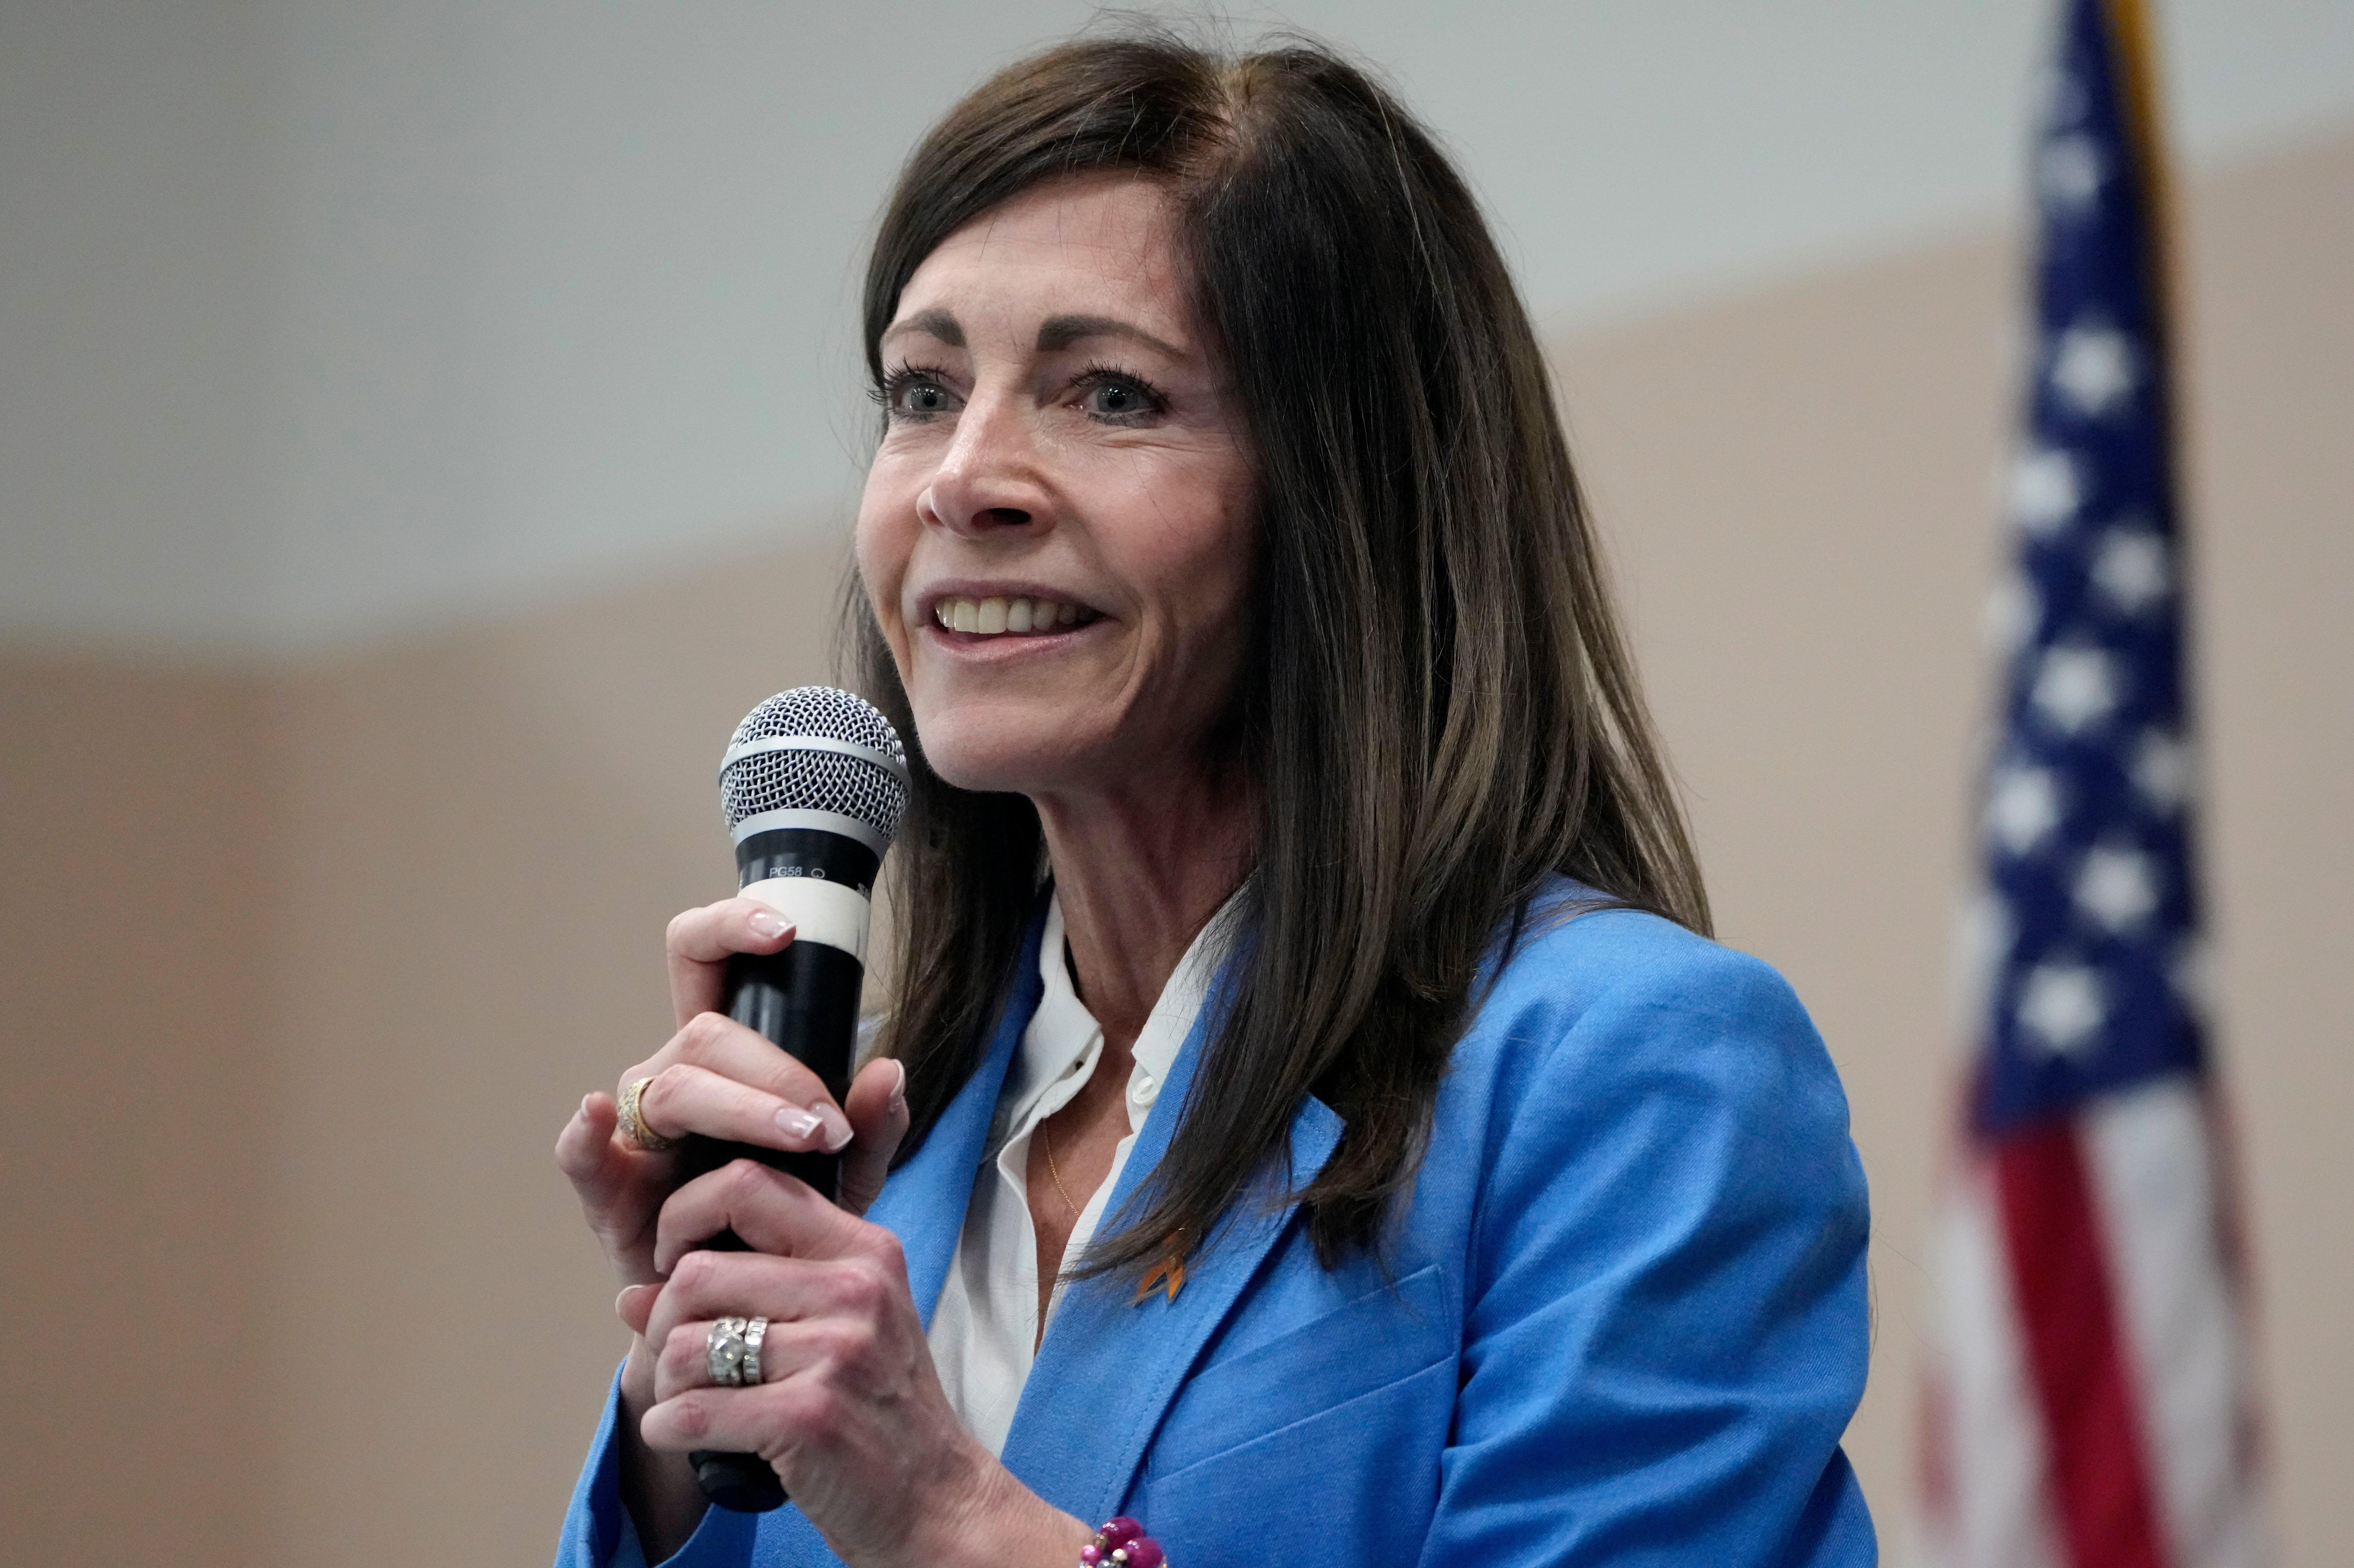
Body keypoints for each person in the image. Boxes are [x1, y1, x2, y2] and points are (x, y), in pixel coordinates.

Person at [553, 30, 1873, 1568]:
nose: (960, 478)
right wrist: (686, 1392)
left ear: (1340, 498)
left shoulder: (1633, 1073)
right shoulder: (872, 1157)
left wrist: (945, 1516)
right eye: (921, 391)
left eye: (1109, 393)